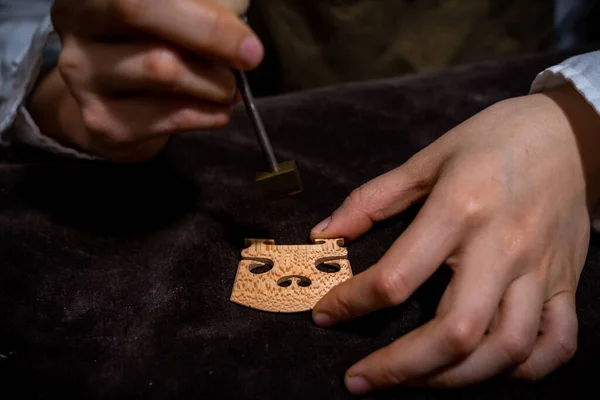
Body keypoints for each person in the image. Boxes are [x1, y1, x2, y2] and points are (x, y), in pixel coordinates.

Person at [1, 0, 600, 395]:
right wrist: (61, 92)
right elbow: (30, 28)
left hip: (504, 92)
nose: (286, 278)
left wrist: (579, 120)